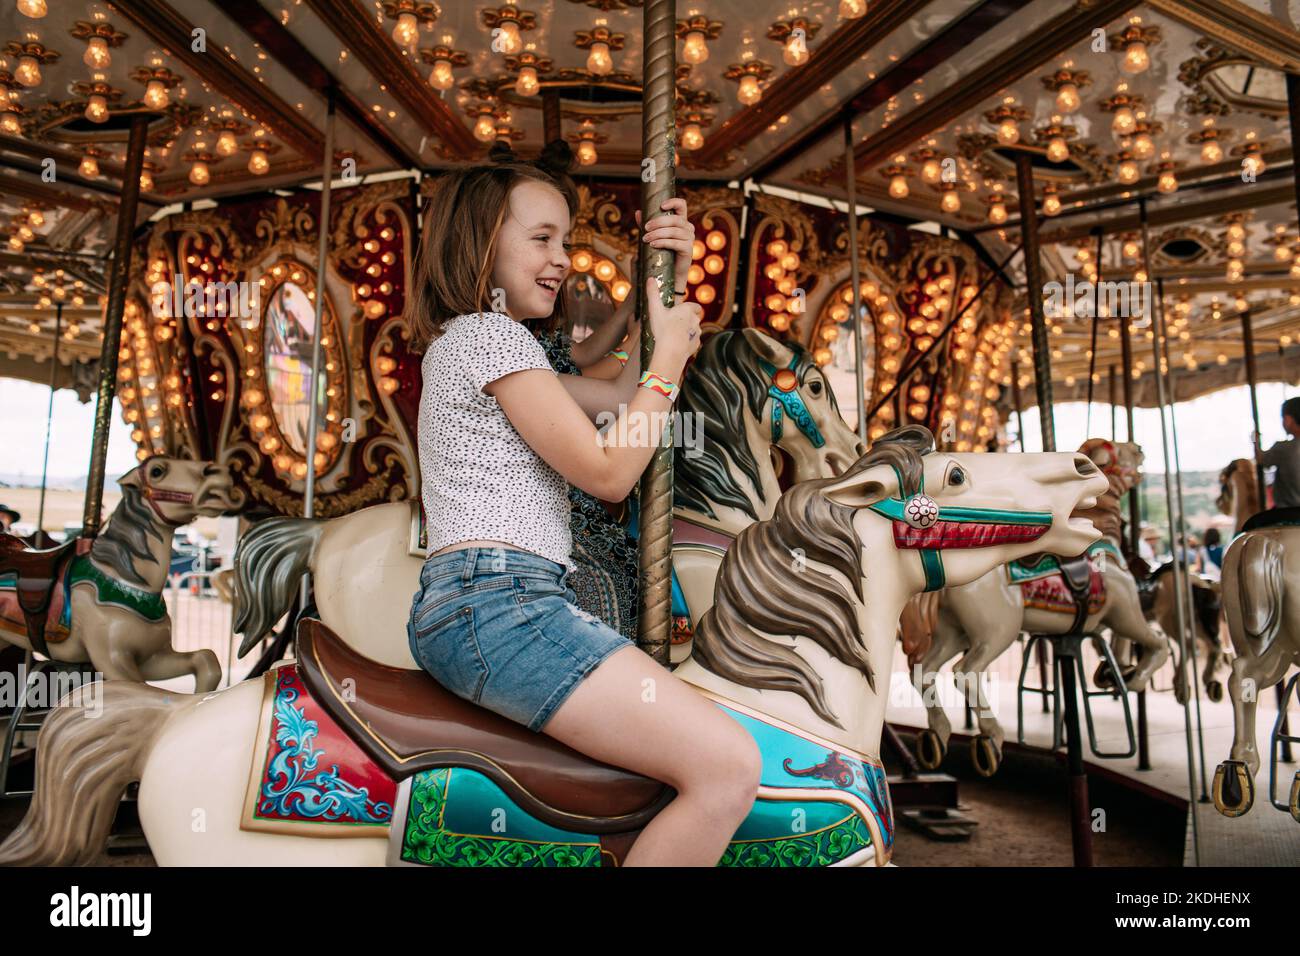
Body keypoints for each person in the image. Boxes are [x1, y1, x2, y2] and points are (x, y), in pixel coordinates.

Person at [404, 150, 761, 866]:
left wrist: (671, 279)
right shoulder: (488, 338)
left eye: (563, 240)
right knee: (728, 767)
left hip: (493, 600)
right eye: (541, 239)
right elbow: (609, 471)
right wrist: (666, 368)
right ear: (480, 242)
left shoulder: (483, 347)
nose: (561, 258)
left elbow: (629, 401)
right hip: (501, 603)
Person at [1257, 396, 1300, 509]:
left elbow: (1262, 460)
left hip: (1289, 513)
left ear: (1288, 420)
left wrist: (1255, 442)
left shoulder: (1284, 448)